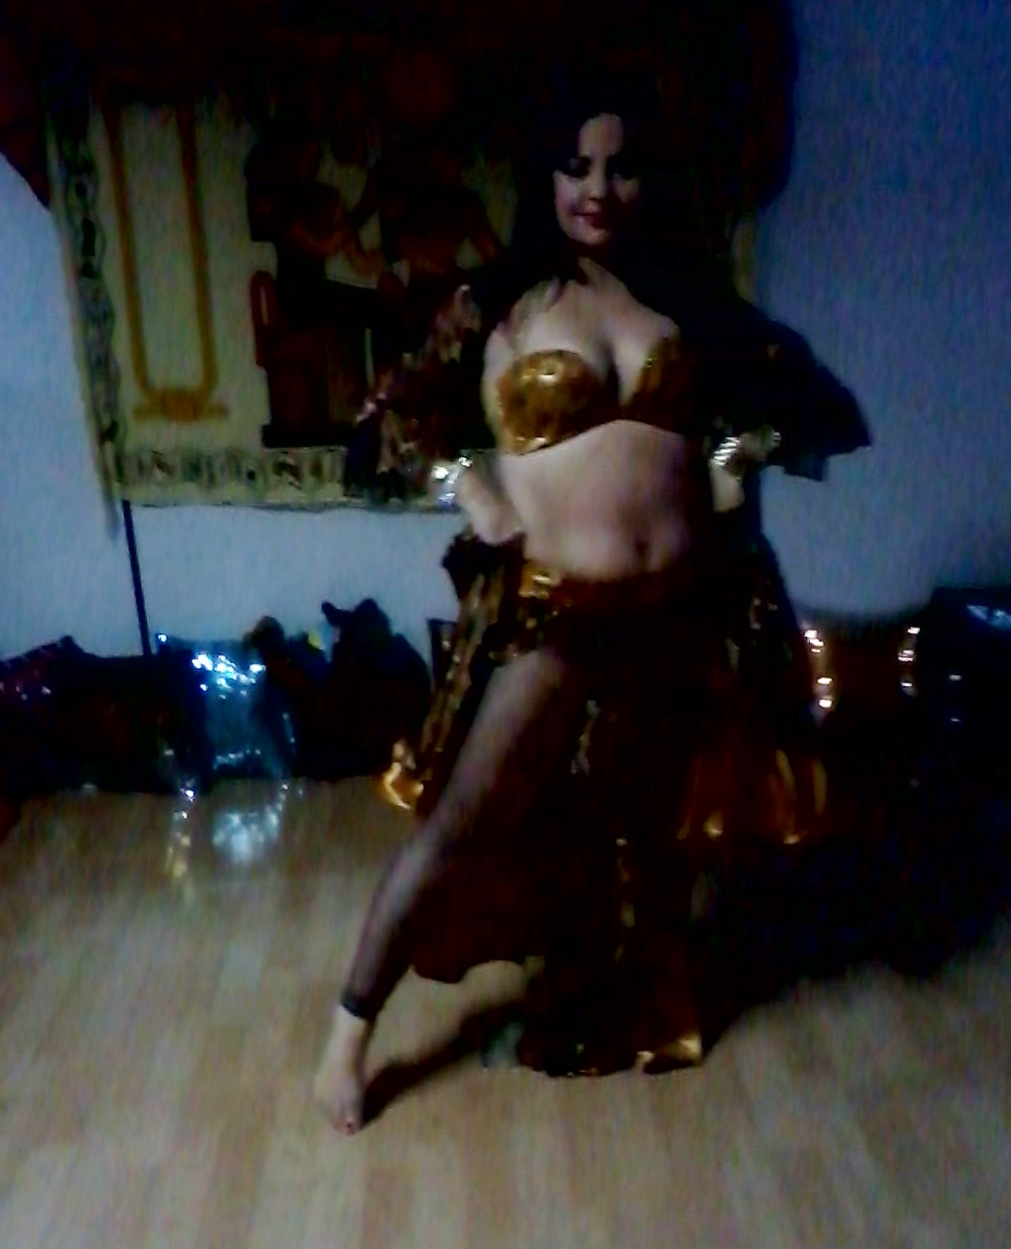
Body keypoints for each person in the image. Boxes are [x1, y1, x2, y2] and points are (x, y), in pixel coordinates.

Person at [314, 67, 869, 1134]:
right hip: (553, 608)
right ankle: (348, 1031)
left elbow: (795, 394)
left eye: (620, 167)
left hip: (679, 606)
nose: (599, 189)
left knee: (644, 825)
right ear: (546, 177)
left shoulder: (683, 298)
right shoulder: (499, 302)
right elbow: (385, 422)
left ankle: (626, 998)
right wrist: (469, 486)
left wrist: (732, 457)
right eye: (577, 166)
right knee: (463, 819)